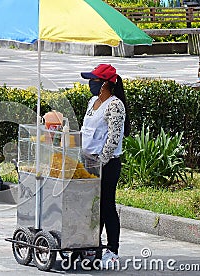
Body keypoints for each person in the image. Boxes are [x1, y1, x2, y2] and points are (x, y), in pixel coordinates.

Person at [80, 64, 130, 268]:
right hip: (88, 161)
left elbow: (113, 137)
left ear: (106, 84)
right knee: (92, 206)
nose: (91, 84)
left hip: (107, 164)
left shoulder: (115, 105)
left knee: (106, 205)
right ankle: (93, 243)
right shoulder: (93, 101)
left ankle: (112, 249)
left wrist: (101, 161)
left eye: (95, 81)